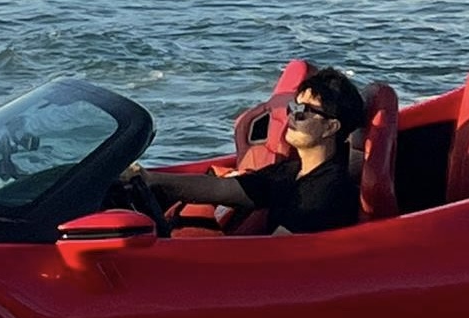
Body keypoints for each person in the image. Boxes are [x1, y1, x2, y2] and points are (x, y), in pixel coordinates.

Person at [139, 67, 369, 235]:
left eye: (306, 111)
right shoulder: (293, 172)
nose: (294, 116)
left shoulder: (325, 193)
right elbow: (224, 188)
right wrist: (150, 178)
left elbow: (277, 254)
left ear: (331, 127)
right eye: (295, 107)